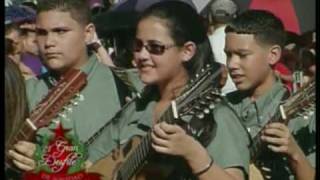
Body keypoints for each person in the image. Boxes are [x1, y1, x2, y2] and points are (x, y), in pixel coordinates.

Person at [88, 1, 250, 180]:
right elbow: (90, 162)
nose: (141, 55)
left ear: (187, 51)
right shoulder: (138, 107)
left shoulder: (218, 116)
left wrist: (194, 154)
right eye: (138, 45)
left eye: (155, 47)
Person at [7, 0, 127, 174]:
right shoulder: (23, 91)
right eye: (41, 33)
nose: (48, 42)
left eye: (60, 31)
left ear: (88, 33)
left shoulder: (125, 85)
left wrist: (50, 164)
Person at [223, 10, 315, 179]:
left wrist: (295, 154)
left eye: (242, 55)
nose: (232, 64)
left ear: (273, 55)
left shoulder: (305, 118)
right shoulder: (222, 107)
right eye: (228, 55)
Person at [207, 0, 238, 95]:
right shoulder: (245, 39)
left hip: (219, 97)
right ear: (235, 16)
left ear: (210, 18)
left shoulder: (206, 43)